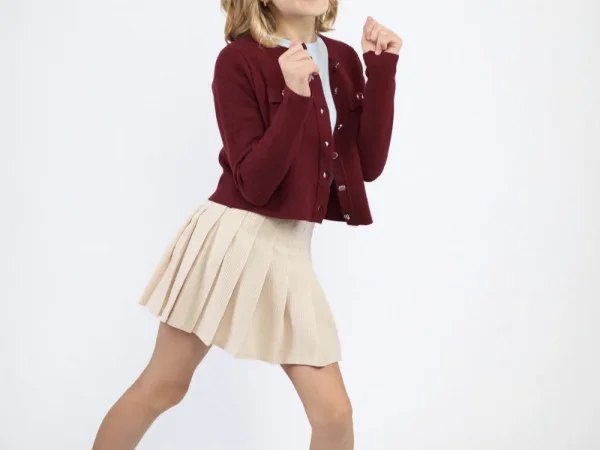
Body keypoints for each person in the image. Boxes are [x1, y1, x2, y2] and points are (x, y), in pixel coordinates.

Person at [92, 0, 401, 449]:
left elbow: (366, 165)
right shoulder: (238, 60)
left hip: (290, 252)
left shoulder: (343, 59)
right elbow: (255, 184)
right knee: (164, 387)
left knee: (334, 415)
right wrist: (294, 96)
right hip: (230, 241)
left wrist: (382, 70)